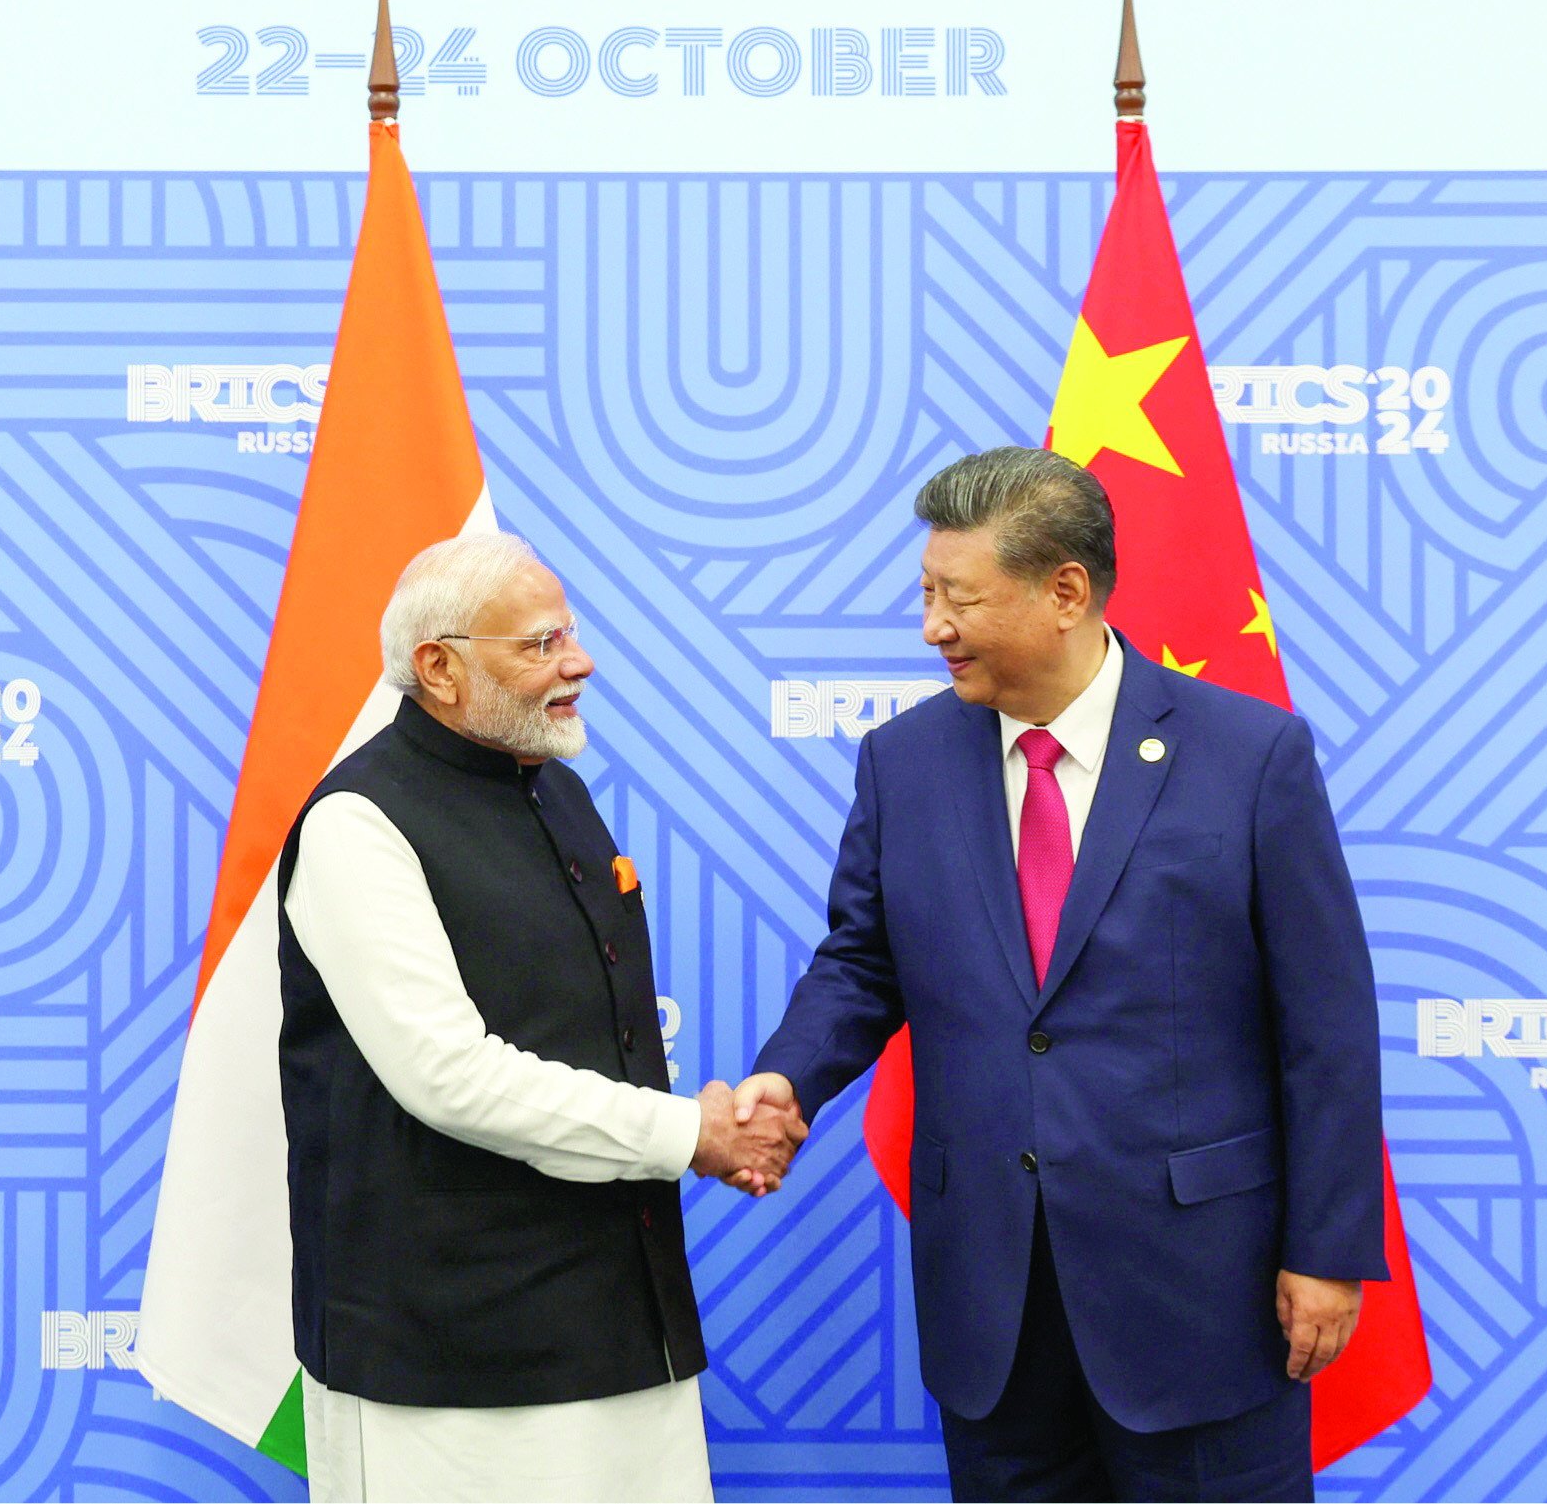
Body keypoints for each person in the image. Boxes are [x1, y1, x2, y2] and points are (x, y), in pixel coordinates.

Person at [733, 448, 1386, 1503]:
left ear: (1064, 592)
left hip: (1201, 1298)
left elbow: (1324, 1025)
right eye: (925, 593)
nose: (930, 626)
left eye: (957, 597)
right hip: (991, 1302)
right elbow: (859, 962)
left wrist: (1327, 1248)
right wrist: (789, 1076)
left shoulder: (1248, 757)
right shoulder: (901, 763)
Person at [277, 530, 805, 1504]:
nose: (579, 660)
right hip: (450, 1361)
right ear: (438, 667)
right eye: (539, 642)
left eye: (570, 632)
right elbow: (450, 1076)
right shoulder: (357, 823)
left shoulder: (553, 789)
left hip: (619, 1321)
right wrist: (693, 1131)